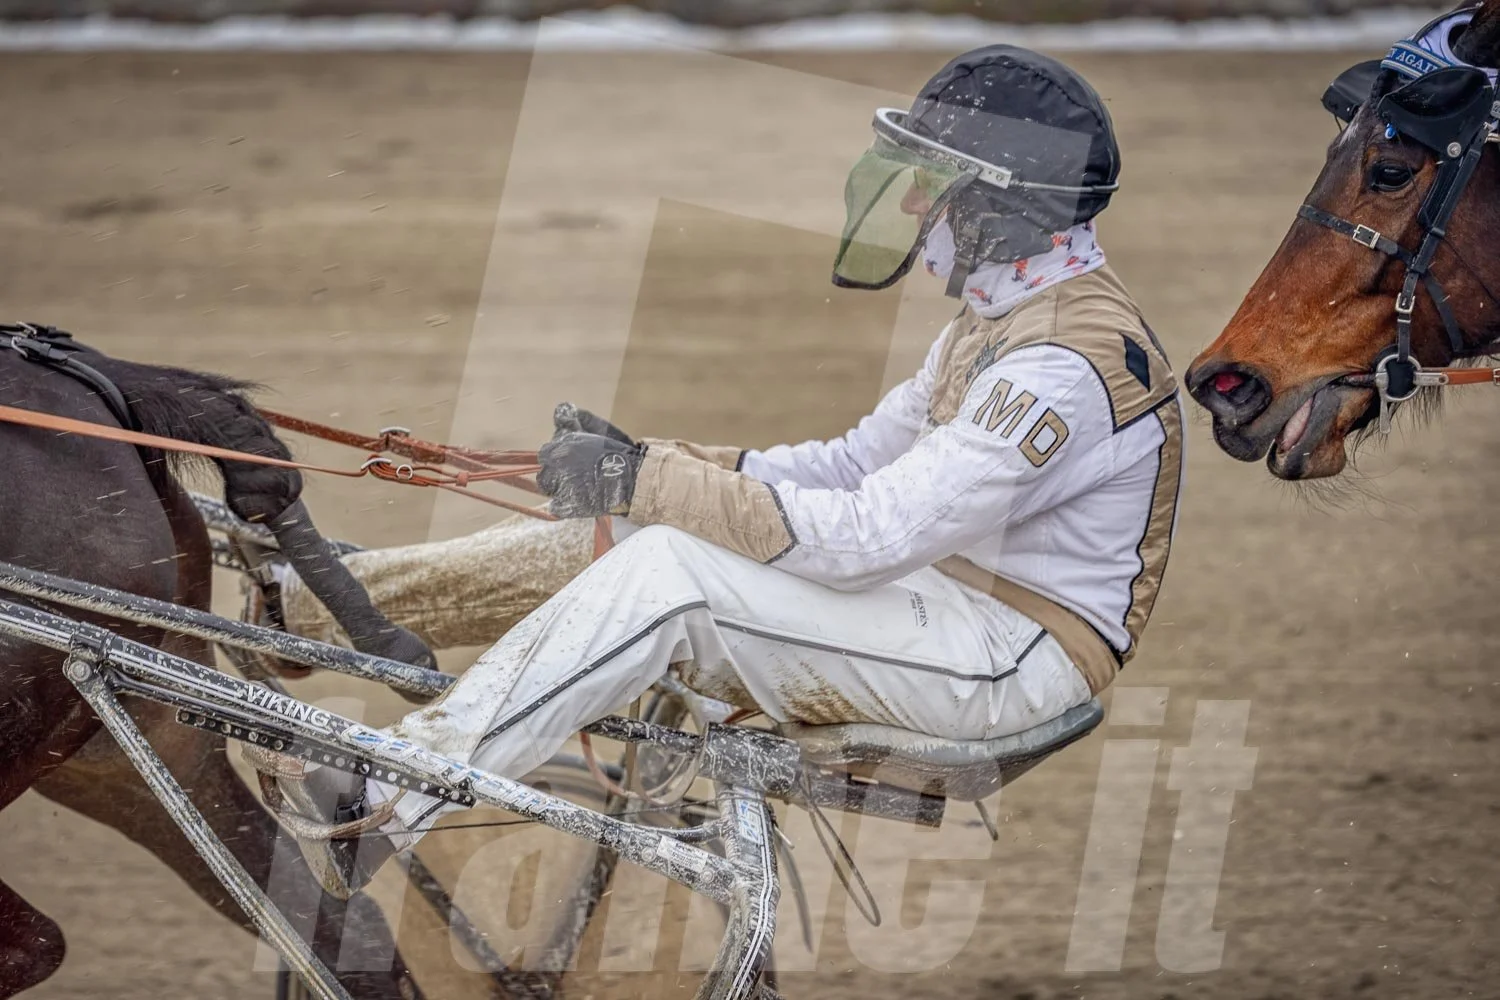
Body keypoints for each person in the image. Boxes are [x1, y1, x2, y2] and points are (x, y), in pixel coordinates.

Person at [273, 44, 1185, 900]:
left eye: (933, 183)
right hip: (945, 606)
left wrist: (647, 479)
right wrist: (651, 465)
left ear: (995, 206)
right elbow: (848, 466)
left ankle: (387, 799)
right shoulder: (1001, 317)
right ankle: (306, 608)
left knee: (667, 572)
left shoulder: (1056, 367)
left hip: (1011, 660)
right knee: (642, 531)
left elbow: (867, 539)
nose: (912, 205)